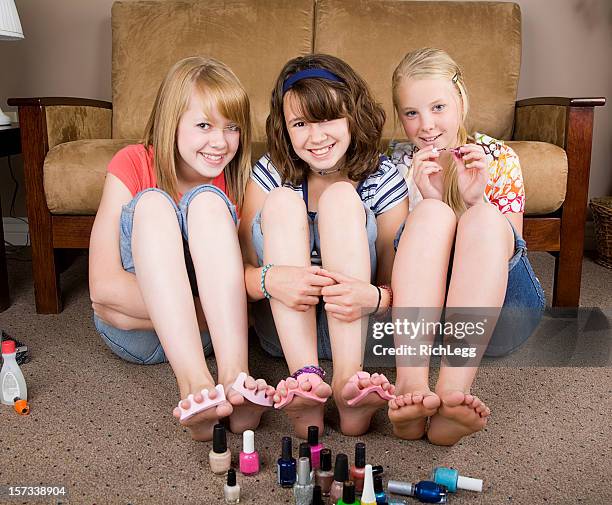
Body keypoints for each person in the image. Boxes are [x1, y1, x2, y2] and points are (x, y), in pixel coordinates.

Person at [89, 56, 274, 442]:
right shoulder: (133, 162)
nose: (220, 142)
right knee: (153, 203)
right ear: (170, 122)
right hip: (133, 336)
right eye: (204, 125)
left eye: (232, 127)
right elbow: (103, 292)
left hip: (204, 338)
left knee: (207, 202)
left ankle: (234, 382)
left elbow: (250, 295)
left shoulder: (238, 180)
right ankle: (194, 385)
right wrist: (213, 310)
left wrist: (148, 309)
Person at [238, 54, 409, 438]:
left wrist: (372, 297)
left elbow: (398, 286)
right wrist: (270, 280)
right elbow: (240, 275)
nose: (316, 138)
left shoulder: (383, 178)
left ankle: (351, 384)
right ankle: (306, 383)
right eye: (301, 124)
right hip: (283, 330)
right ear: (285, 127)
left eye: (328, 118)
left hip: (356, 329)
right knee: (281, 201)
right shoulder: (271, 171)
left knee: (341, 198)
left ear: (353, 114)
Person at [387, 48, 545, 445]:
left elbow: (509, 252)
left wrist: (475, 202)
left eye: (438, 106)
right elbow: (391, 269)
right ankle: (412, 385)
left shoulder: (498, 158)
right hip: (420, 322)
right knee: (430, 216)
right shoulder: (393, 165)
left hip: (498, 312)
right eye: (411, 113)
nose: (426, 125)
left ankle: (453, 388)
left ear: (461, 99)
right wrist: (429, 201)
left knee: (485, 218)